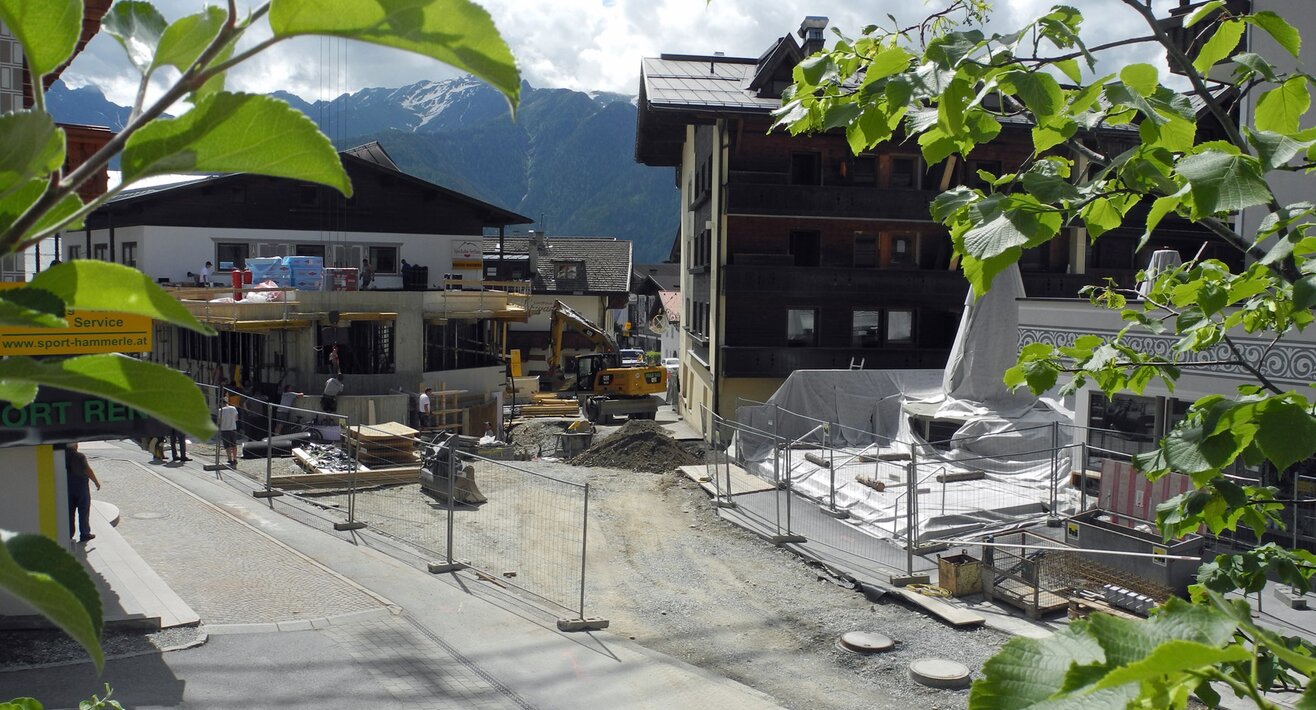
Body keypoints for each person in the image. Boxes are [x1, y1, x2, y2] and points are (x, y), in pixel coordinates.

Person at [65, 442, 101, 543]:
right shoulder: (79, 456)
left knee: (69, 512)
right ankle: (85, 533)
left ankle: (69, 534)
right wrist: (96, 482)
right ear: (75, 446)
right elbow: (87, 470)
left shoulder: (61, 455)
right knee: (84, 510)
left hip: (67, 487)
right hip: (81, 486)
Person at [218, 395, 239, 466]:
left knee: (227, 446)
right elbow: (236, 418)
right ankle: (235, 459)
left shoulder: (220, 410)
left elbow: (219, 421)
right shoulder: (233, 408)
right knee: (234, 445)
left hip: (224, 429)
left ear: (221, 403)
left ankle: (230, 459)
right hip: (233, 428)